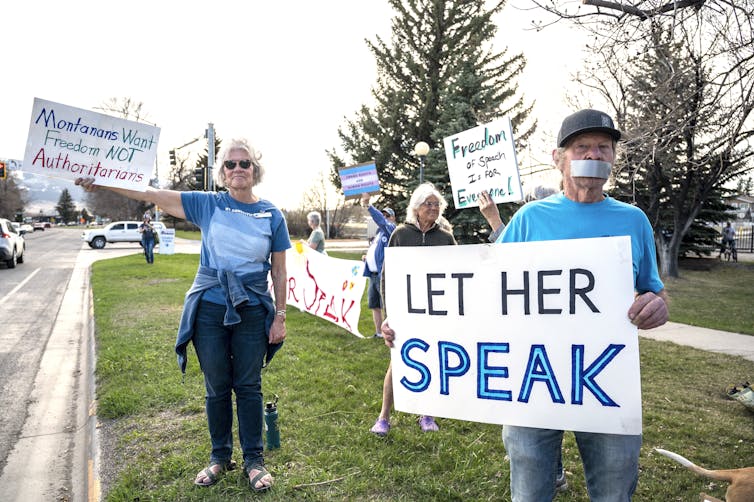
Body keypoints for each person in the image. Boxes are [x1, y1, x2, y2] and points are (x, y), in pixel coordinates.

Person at [76, 137, 290, 493]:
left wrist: (279, 316)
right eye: (231, 164)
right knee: (217, 385)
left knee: (248, 385)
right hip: (209, 307)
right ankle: (220, 457)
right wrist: (100, 180)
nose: (238, 169)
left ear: (256, 170)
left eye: (245, 164)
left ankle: (254, 460)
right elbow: (151, 193)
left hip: (253, 308)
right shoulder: (208, 204)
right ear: (222, 172)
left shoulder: (272, 214)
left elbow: (280, 271)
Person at [475, 109, 668, 501]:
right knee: (529, 491)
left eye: (604, 148)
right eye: (583, 147)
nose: (594, 155)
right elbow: (484, 289)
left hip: (603, 379)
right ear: (559, 157)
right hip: (533, 378)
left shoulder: (634, 221)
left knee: (615, 489)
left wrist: (657, 306)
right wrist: (417, 323)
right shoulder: (530, 219)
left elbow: (653, 291)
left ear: (613, 158)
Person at [370, 182, 457, 437]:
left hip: (435, 311)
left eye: (436, 204)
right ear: (416, 208)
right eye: (428, 204)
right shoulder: (400, 234)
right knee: (398, 361)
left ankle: (427, 414)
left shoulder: (445, 238)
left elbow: (458, 272)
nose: (433, 208)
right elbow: (387, 276)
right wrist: (388, 316)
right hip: (405, 310)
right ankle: (384, 417)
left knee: (430, 360)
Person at [360, 192, 397, 338]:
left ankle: (392, 333)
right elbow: (375, 251)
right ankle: (378, 332)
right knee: (374, 305)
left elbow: (381, 221)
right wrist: (367, 258)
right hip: (373, 274)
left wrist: (369, 206)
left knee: (387, 305)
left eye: (387, 215)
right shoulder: (378, 234)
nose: (385, 218)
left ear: (392, 218)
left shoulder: (391, 229)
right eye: (384, 215)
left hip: (383, 275)